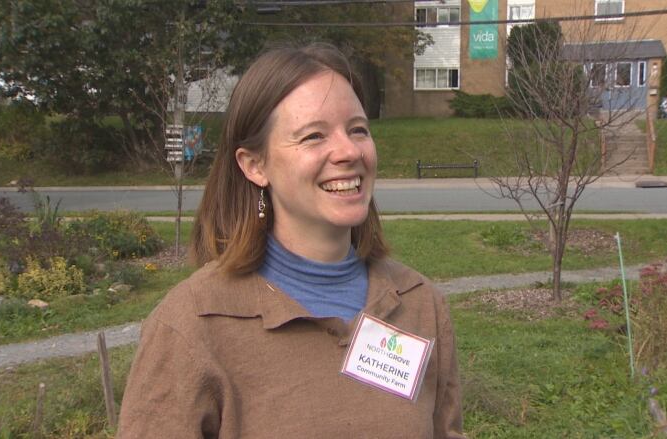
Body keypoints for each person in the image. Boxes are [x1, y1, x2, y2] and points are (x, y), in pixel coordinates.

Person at [117, 43, 465, 438]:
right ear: (255, 165)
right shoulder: (192, 325)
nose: (349, 151)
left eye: (358, 129)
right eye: (314, 136)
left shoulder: (420, 305)